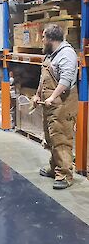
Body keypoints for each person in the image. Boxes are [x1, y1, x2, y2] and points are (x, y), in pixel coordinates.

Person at [33, 24, 78, 190]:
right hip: (51, 104)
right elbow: (43, 78)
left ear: (50, 38)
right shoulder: (51, 55)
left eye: (43, 37)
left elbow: (65, 80)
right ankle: (55, 168)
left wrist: (52, 96)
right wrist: (38, 94)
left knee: (61, 138)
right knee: (51, 137)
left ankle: (65, 175)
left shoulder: (67, 54)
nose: (42, 40)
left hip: (63, 103)